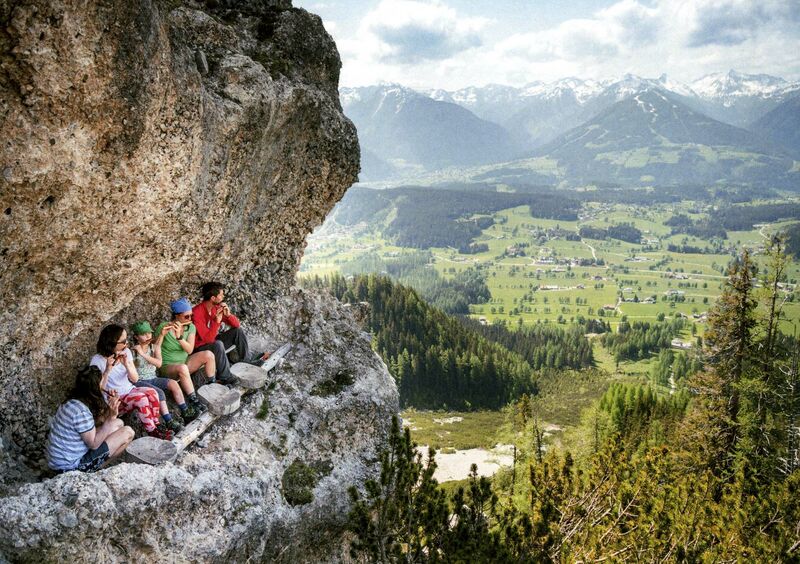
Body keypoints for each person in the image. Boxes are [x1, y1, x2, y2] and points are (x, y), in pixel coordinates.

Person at [90, 324, 174, 440]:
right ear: (112, 343)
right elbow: (97, 389)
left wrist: (127, 364)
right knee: (141, 398)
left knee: (153, 392)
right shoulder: (97, 361)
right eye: (123, 341)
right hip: (114, 399)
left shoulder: (126, 352)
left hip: (129, 390)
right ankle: (152, 432)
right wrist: (107, 370)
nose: (127, 344)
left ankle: (157, 426)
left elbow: (135, 379)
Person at [46, 365, 135, 473]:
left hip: (59, 460)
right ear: (95, 388)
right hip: (71, 467)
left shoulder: (72, 402)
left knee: (118, 423)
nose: (105, 385)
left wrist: (110, 406)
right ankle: (97, 470)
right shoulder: (81, 412)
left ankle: (97, 465)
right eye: (102, 381)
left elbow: (96, 424)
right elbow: (94, 444)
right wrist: (111, 417)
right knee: (128, 432)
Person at [131, 321, 206, 427]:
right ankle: (169, 421)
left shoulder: (154, 347)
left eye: (149, 333)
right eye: (143, 334)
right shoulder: (132, 352)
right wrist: (139, 353)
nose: (148, 336)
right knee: (159, 392)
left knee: (173, 384)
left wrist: (143, 354)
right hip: (140, 381)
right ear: (136, 337)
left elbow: (159, 363)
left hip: (153, 378)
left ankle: (185, 411)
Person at [192, 282, 270, 384]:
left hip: (213, 341)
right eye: (221, 295)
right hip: (200, 348)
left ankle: (246, 361)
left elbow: (236, 325)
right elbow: (208, 339)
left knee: (237, 331)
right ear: (213, 298)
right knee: (218, 344)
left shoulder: (216, 308)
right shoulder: (196, 313)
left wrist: (228, 315)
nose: (223, 296)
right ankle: (225, 377)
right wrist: (217, 322)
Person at [154, 298, 218, 385]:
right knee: (182, 368)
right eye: (186, 316)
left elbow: (189, 350)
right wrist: (162, 335)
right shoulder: (163, 327)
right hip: (168, 367)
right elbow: (155, 348)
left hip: (184, 362)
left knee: (209, 355)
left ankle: (212, 384)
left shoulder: (191, 327)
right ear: (177, 316)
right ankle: (192, 393)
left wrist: (179, 337)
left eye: (191, 315)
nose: (190, 319)